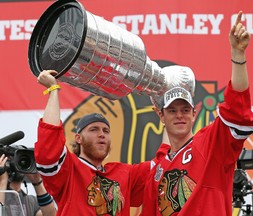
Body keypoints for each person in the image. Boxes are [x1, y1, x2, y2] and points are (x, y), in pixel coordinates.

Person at [141, 11, 253, 216]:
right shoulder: (157, 171)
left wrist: (238, 56)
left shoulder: (211, 145)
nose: (180, 115)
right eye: (172, 110)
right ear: (161, 116)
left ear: (194, 114)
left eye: (185, 110)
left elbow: (237, 111)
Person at [35, 70, 169, 215]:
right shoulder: (70, 170)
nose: (101, 135)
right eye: (94, 129)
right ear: (78, 138)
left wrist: (167, 115)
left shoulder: (124, 174)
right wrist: (53, 90)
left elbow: (162, 167)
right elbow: (49, 144)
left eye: (106, 131)